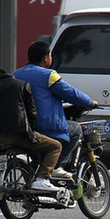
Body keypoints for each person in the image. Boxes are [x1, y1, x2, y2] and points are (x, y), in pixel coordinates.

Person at [14, 41, 98, 175]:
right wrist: (90, 102)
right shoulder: (48, 75)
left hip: (23, 127)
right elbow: (70, 93)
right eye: (50, 55)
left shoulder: (15, 75)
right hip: (45, 127)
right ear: (46, 58)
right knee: (75, 129)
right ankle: (56, 165)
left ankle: (39, 166)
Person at [0, 68, 63, 191]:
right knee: (55, 146)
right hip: (19, 135)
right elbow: (32, 113)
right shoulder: (23, 85)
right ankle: (42, 179)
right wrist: (33, 130)